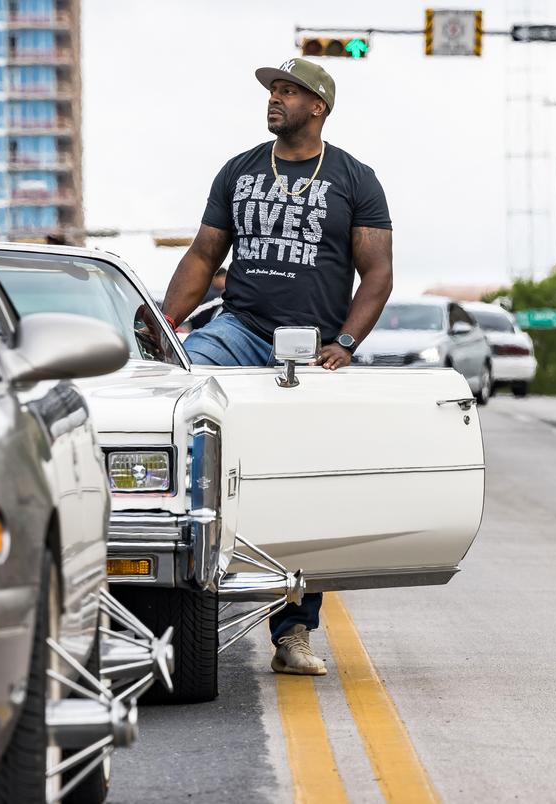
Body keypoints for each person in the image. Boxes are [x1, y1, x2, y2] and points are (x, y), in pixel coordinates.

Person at [158, 57, 394, 676]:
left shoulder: (353, 178)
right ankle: (170, 593)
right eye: (272, 90)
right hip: (236, 330)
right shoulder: (238, 171)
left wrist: (343, 342)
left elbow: (378, 274)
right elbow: (204, 254)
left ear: (317, 107)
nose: (275, 99)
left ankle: (292, 633)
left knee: (301, 484)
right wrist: (161, 329)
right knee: (182, 413)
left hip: (308, 345)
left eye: (289, 92)